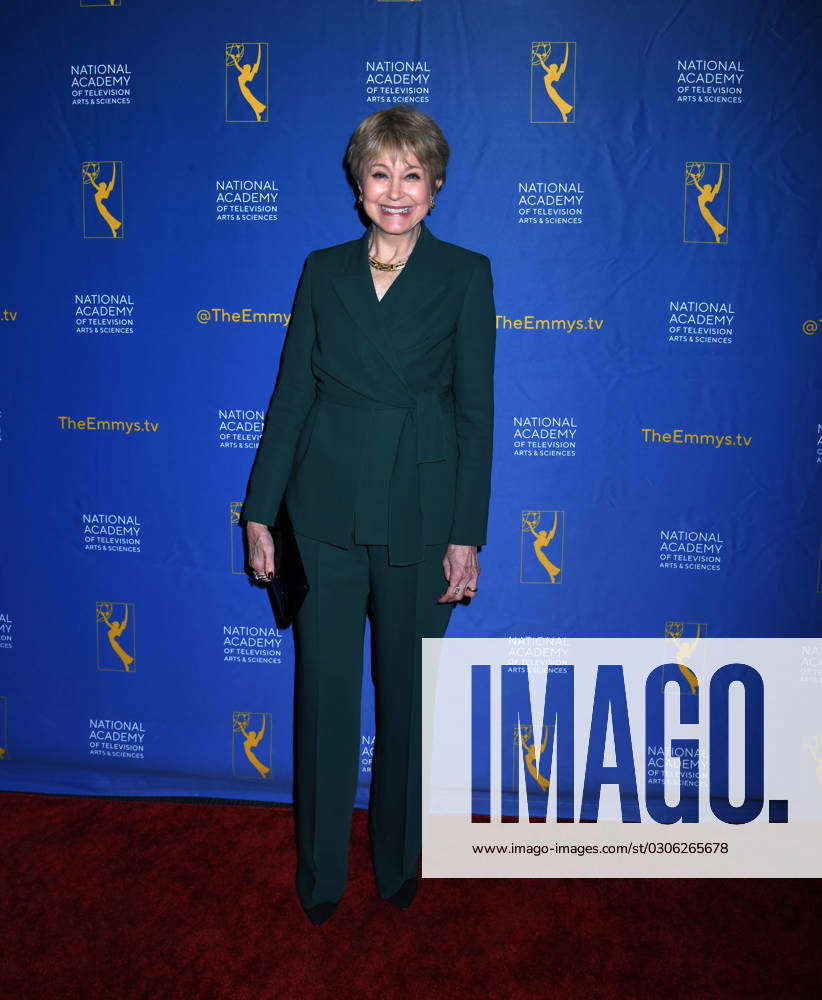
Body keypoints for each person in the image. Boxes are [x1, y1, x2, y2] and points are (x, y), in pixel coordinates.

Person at [241, 105, 496, 926]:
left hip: (422, 516)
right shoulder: (322, 272)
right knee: (324, 701)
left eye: (411, 175)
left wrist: (468, 534)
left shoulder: (466, 274)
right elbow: (289, 399)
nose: (395, 191)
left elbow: (476, 415)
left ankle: (395, 865)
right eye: (380, 173)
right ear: (358, 185)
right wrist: (258, 512)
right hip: (320, 514)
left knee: (407, 703)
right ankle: (320, 877)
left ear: (436, 187)